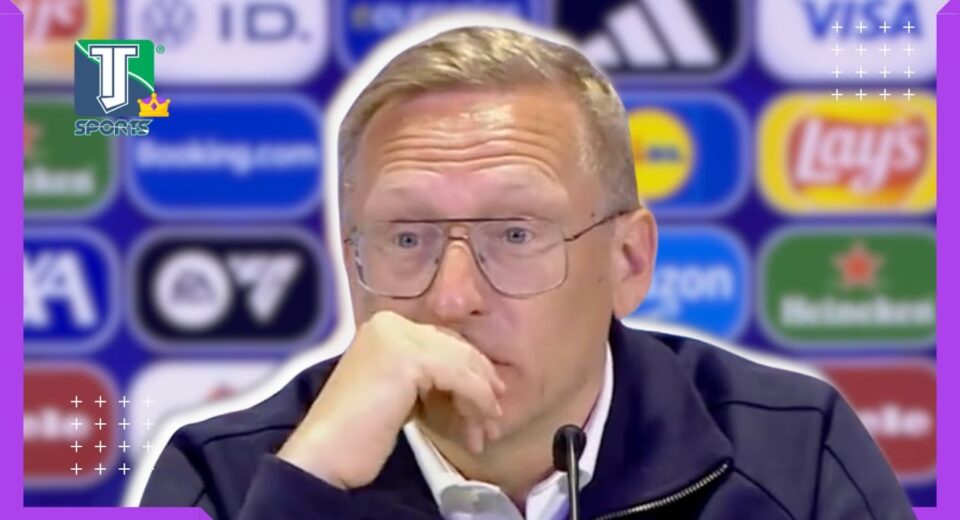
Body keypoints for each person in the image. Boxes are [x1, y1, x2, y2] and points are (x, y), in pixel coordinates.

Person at [139, 26, 916, 520]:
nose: (451, 298)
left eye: (515, 234)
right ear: (352, 265)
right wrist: (305, 492)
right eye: (406, 237)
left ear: (628, 261)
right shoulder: (225, 478)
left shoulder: (793, 455)